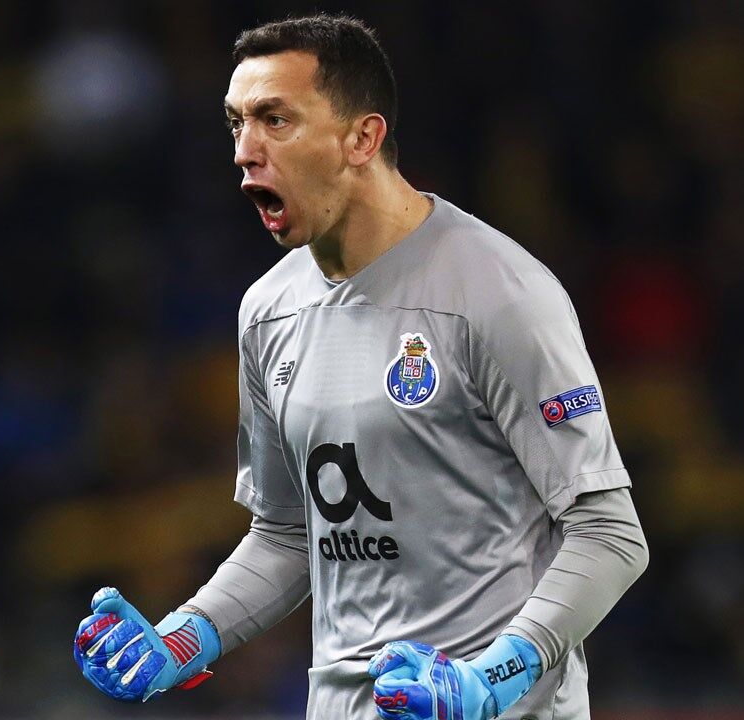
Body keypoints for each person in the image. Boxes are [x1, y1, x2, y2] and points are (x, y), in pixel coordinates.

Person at [73, 14, 649, 720]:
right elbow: (288, 534)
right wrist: (181, 640)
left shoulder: (499, 292)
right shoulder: (268, 312)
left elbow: (609, 534)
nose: (245, 152)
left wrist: (489, 681)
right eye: (236, 124)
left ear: (362, 139)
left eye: (275, 120)